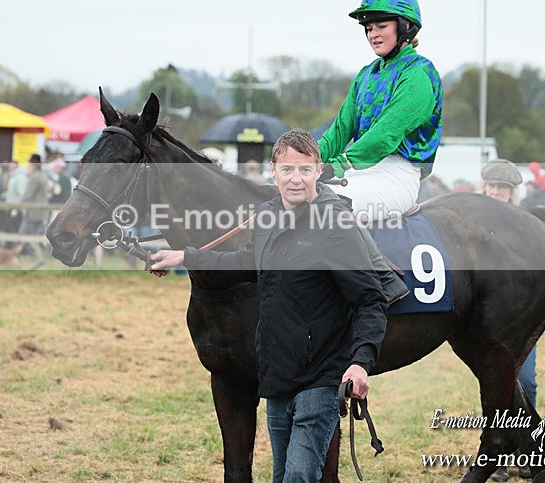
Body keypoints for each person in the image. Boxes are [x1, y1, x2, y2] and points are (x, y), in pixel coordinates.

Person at [150, 130, 408, 482]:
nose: (295, 179)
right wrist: (186, 256)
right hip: (277, 377)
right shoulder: (268, 219)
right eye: (287, 170)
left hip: (320, 378)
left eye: (304, 170)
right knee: (283, 476)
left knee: (299, 477)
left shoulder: (335, 225)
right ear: (273, 171)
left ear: (319, 171)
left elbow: (369, 299)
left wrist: (361, 363)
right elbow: (246, 262)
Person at [317, 0, 443, 221]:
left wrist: (338, 164)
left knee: (325, 210)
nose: (373, 34)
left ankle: (372, 261)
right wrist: (309, 158)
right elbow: (340, 130)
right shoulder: (366, 74)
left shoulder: (419, 74)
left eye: (381, 26)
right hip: (359, 171)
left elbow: (385, 134)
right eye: (368, 28)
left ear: (406, 27)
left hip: (396, 176)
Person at [480, 159, 535, 482]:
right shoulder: (472, 222)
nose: (497, 192)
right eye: (493, 186)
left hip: (522, 316)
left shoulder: (524, 225)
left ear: (513, 193)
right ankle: (497, 455)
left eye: (503, 188)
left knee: (525, 383)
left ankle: (527, 450)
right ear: (484, 186)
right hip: (488, 322)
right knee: (496, 386)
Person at [17, 154, 50, 268]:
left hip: (33, 212)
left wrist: (16, 206)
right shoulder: (43, 175)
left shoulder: (35, 177)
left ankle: (37, 258)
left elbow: (28, 195)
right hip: (41, 212)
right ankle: (36, 258)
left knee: (23, 234)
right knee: (32, 235)